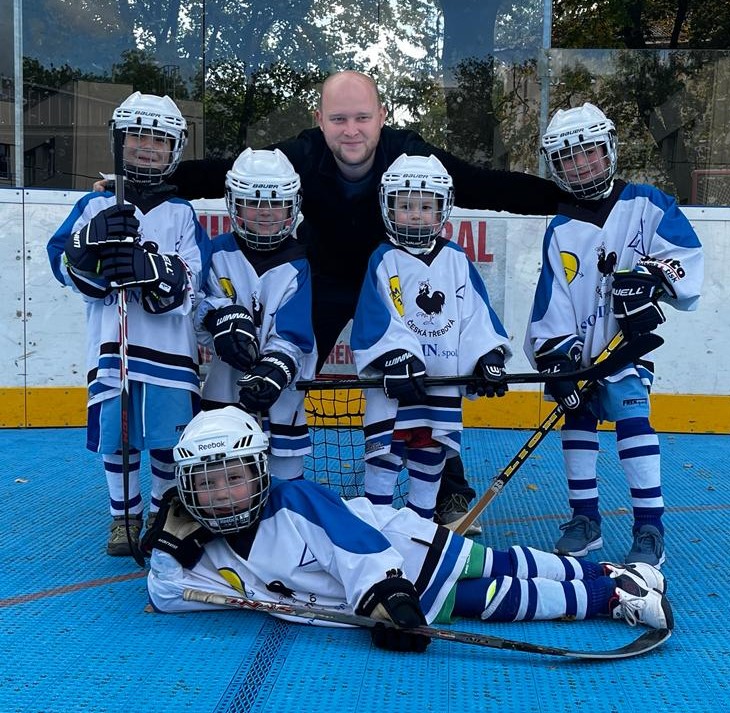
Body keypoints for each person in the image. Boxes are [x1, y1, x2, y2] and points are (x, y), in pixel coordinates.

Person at [154, 70, 580, 532]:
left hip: (393, 278)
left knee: (429, 376)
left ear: (382, 118)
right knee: (283, 363)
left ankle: (449, 492)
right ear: (320, 120)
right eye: (338, 119)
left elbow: (484, 185)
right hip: (322, 276)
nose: (351, 129)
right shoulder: (301, 153)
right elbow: (223, 172)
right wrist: (146, 184)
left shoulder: (411, 155)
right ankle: (229, 473)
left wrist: (571, 201)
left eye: (362, 117)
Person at [143, 407, 673, 653]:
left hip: (398, 546)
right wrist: (168, 548)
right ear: (185, 490)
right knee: (486, 598)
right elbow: (171, 596)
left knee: (494, 564)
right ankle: (606, 597)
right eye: (206, 484)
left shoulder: (293, 500)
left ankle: (606, 580)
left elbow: (356, 546)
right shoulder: (199, 547)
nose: (222, 494)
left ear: (259, 472)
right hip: (366, 590)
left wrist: (390, 600)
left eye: (234, 478)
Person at [524, 102, 704, 568]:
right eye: (568, 158)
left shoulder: (646, 204)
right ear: (556, 166)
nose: (581, 165)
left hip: (625, 351)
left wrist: (650, 281)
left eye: (589, 153)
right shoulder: (560, 228)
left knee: (633, 420)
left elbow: (684, 256)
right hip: (582, 354)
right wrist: (556, 360)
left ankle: (649, 527)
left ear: (608, 150)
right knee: (577, 423)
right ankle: (584, 521)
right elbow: (552, 299)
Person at [48, 92, 212, 555]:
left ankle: (162, 513)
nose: (146, 146)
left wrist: (154, 268)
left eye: (158, 140)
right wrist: (88, 253)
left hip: (168, 351)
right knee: (118, 442)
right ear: (119, 140)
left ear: (174, 149)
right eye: (137, 136)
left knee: (165, 440)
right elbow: (63, 263)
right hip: (111, 348)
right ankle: (124, 518)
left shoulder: (182, 212)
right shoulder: (93, 207)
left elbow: (193, 280)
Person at [350, 154, 511, 520]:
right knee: (386, 454)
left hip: (440, 388)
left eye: (426, 205)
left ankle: (419, 527)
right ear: (388, 206)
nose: (417, 214)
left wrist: (488, 355)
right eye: (406, 205)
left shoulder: (455, 258)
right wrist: (396, 357)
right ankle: (376, 524)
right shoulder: (383, 258)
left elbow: (475, 313)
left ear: (443, 208)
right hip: (396, 387)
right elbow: (374, 315)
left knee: (431, 450)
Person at [196, 147, 317, 480]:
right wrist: (219, 318)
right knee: (224, 478)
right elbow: (194, 305)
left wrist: (275, 368)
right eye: (254, 202)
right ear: (235, 203)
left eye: (276, 203)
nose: (265, 213)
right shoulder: (217, 252)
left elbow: (294, 332)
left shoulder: (297, 264)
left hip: (281, 396)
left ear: (292, 206)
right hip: (224, 387)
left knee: (285, 484)